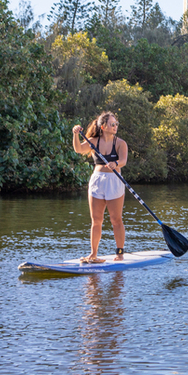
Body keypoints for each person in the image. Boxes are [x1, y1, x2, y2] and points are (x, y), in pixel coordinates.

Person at [72, 112, 129, 263]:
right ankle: (93, 254)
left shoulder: (120, 143)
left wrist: (115, 164)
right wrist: (76, 134)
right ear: (103, 127)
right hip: (97, 181)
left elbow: (123, 160)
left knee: (116, 219)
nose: (115, 126)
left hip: (114, 181)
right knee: (96, 220)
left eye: (116, 124)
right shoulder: (92, 142)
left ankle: (120, 253)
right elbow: (78, 149)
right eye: (112, 124)